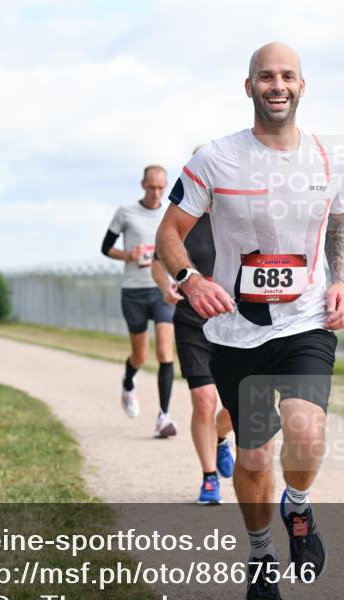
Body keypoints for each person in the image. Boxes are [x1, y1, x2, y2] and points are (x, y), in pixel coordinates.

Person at [156, 42, 344, 600]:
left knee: (308, 432)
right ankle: (262, 550)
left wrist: (339, 281)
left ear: (302, 85)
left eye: (287, 75)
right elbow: (170, 233)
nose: (277, 85)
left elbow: (338, 227)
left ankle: (298, 506)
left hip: (306, 322)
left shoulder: (326, 159)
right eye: (266, 76)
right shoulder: (214, 159)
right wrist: (191, 279)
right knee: (254, 457)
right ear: (249, 87)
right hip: (236, 332)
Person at [152, 147, 236, 504]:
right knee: (204, 399)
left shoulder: (238, 214)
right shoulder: (181, 218)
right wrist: (166, 286)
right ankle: (208, 477)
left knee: (238, 404)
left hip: (236, 319)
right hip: (191, 317)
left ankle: (219, 437)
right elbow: (159, 260)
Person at [102, 165, 178, 438]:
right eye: (151, 187)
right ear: (142, 185)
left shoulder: (171, 213)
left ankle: (164, 417)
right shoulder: (126, 212)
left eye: (161, 187)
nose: (156, 193)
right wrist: (127, 255)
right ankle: (128, 381)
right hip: (133, 291)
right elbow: (105, 247)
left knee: (165, 353)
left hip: (161, 290)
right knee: (140, 355)